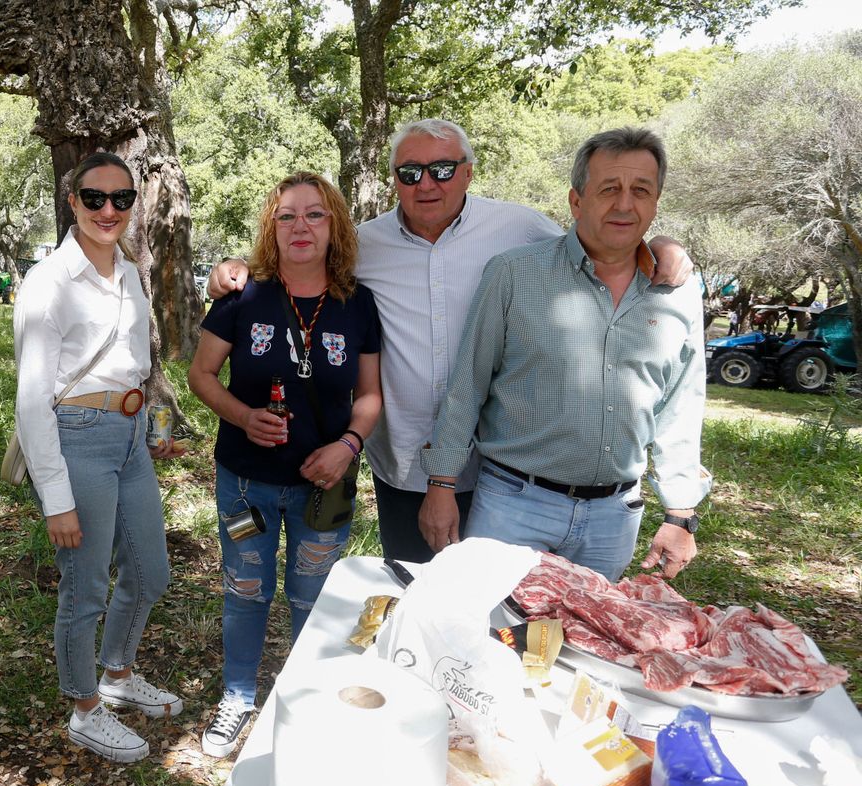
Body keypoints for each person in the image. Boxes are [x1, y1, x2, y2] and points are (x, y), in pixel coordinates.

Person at [207, 120, 693, 564]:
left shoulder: (518, 228)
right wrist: (235, 268)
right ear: (394, 177)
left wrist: (662, 246)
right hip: (406, 457)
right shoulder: (363, 243)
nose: (426, 183)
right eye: (410, 171)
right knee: (415, 587)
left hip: (502, 468)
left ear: (468, 173)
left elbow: (597, 241)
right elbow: (300, 259)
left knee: (486, 606)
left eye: (441, 169)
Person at [420, 127, 711, 583]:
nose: (624, 205)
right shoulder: (514, 274)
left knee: (579, 647)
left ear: (656, 203)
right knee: (492, 635)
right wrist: (441, 484)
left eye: (641, 191)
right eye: (609, 189)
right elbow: (467, 386)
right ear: (576, 201)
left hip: (614, 520)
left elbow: (681, 404)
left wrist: (680, 513)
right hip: (512, 508)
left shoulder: (678, 292)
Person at [188, 172, 383, 758]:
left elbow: (371, 396)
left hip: (325, 485)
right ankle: (238, 697)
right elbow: (201, 375)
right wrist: (244, 417)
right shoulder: (242, 297)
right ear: (271, 227)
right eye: (287, 215)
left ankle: (303, 701)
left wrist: (348, 445)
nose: (301, 226)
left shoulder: (357, 303)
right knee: (245, 590)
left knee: (313, 597)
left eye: (315, 215)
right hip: (245, 482)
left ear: (336, 226)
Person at [14, 151, 186, 766]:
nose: (109, 210)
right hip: (76, 437)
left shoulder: (132, 274)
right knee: (85, 586)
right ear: (73, 201)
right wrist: (56, 498)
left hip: (130, 436)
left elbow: (139, 363)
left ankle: (117, 672)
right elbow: (33, 400)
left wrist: (151, 423)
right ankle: (85, 707)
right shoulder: (49, 282)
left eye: (122, 199)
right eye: (95, 198)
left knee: (149, 572)